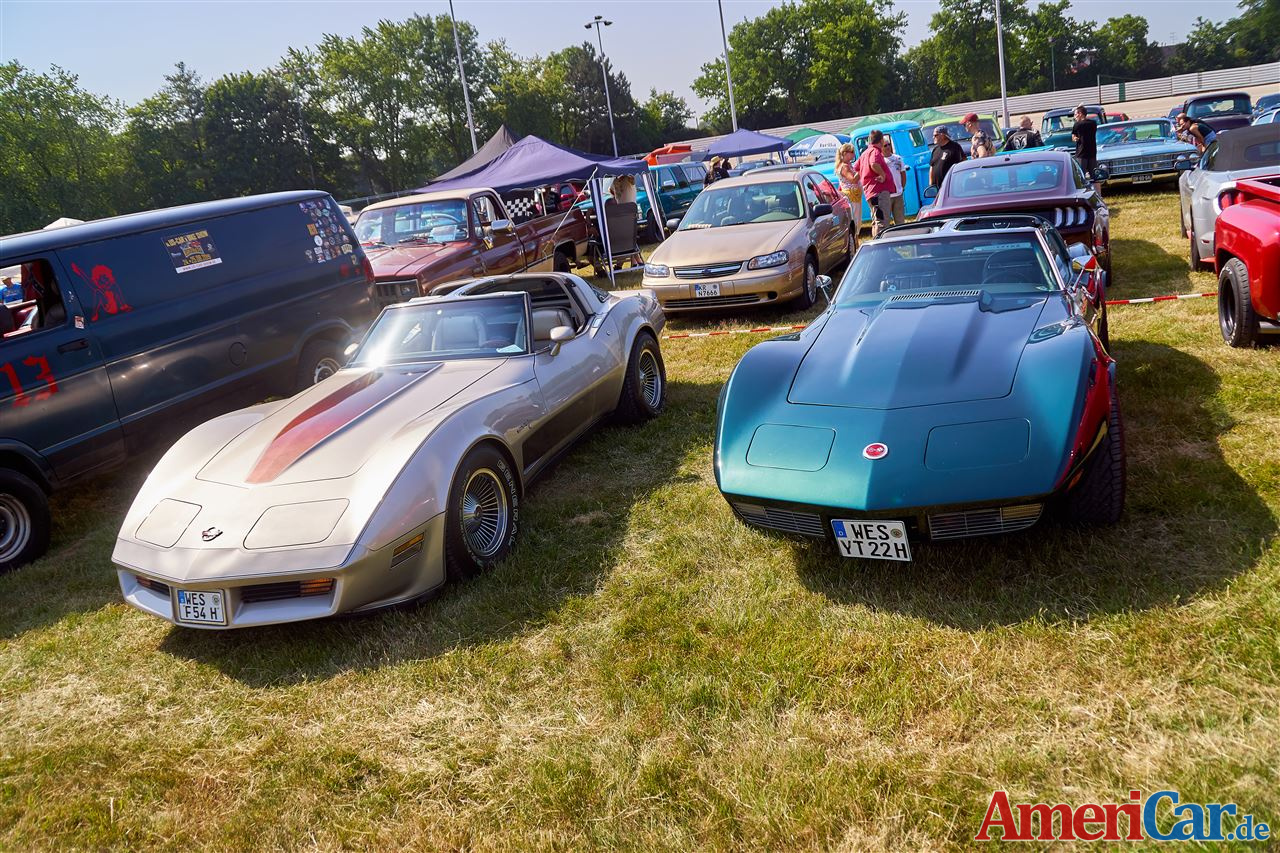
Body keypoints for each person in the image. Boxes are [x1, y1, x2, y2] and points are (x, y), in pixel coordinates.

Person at [857, 130, 895, 238]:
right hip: (879, 192)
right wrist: (882, 175)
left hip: (871, 192)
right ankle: (881, 244)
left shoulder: (865, 153)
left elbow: (856, 168)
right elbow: (873, 163)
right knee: (882, 221)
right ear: (881, 140)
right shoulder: (875, 151)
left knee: (876, 220)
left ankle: (877, 241)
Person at [835, 142, 862, 249]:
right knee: (855, 220)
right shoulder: (844, 167)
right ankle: (855, 245)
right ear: (845, 153)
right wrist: (861, 169)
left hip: (853, 195)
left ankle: (856, 243)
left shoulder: (846, 165)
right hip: (852, 197)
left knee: (856, 220)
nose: (854, 154)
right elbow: (853, 179)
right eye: (852, 152)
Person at [1070, 105, 1100, 192]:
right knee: (1094, 176)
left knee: (1081, 175)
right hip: (1092, 152)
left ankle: (1083, 192)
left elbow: (1073, 137)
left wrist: (1076, 138)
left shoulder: (1077, 124)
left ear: (1080, 114)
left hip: (1081, 153)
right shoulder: (1093, 123)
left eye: (1075, 114)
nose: (1075, 117)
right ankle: (1098, 194)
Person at [881, 136, 907, 226]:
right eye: (885, 145)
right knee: (885, 222)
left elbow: (903, 174)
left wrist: (902, 188)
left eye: (889, 145)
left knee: (900, 221)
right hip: (886, 195)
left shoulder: (898, 158)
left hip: (898, 194)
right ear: (881, 147)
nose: (888, 147)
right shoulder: (880, 160)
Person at [929, 126, 965, 190]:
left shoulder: (955, 147)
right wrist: (931, 184)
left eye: (935, 135)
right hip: (938, 188)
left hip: (951, 187)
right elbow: (932, 166)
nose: (933, 137)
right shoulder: (935, 149)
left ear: (942, 135)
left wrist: (959, 182)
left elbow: (962, 163)